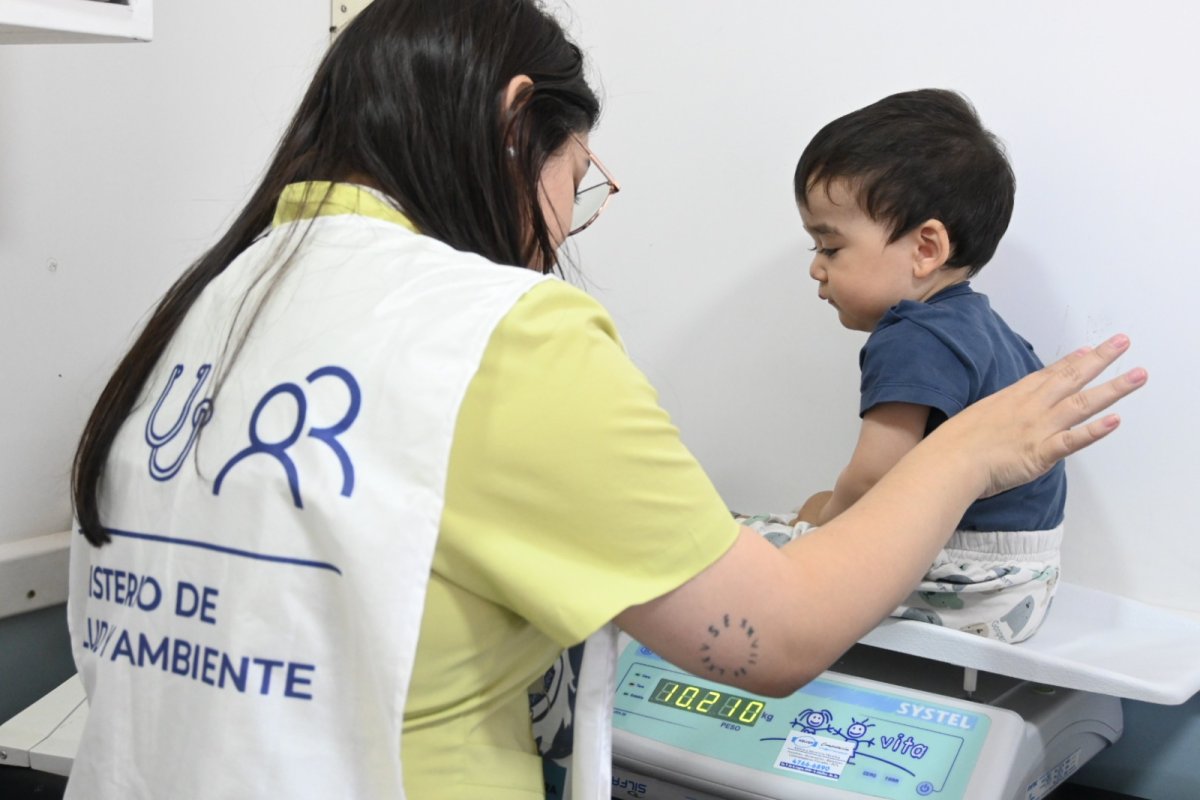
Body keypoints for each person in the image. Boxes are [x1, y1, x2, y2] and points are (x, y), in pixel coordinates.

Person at [65, 3, 1145, 798]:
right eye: (576, 180)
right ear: (514, 119)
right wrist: (976, 453)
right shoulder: (496, 328)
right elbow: (773, 635)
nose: (560, 228)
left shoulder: (211, 295)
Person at [778, 89, 1065, 643]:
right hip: (1025, 582)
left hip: (965, 581)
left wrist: (815, 527)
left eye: (829, 247)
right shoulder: (992, 332)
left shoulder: (912, 332)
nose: (815, 268)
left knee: (749, 545)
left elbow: (872, 479)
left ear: (926, 248)